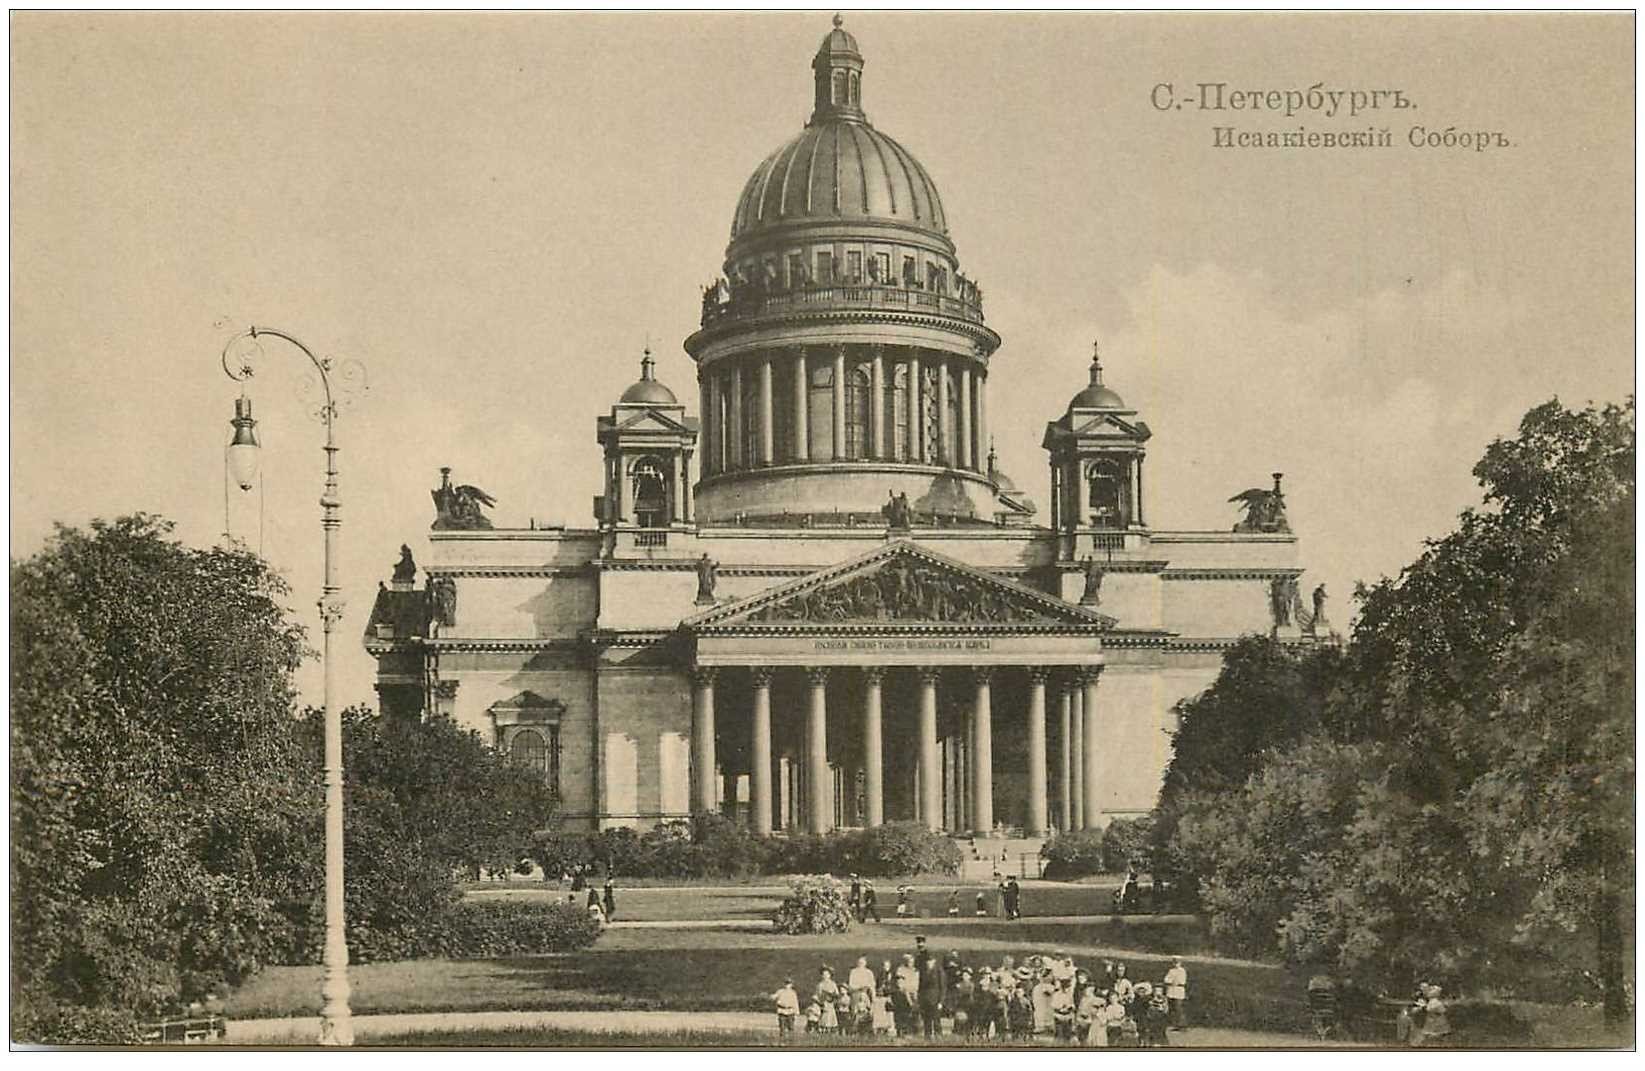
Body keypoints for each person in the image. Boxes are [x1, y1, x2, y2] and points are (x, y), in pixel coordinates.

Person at [917, 947, 947, 1039]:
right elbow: (920, 986)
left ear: (934, 961)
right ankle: (927, 1036)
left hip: (935, 999)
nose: (928, 963)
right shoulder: (923, 971)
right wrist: (920, 999)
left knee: (936, 1019)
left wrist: (941, 1002)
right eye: (927, 961)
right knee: (927, 1019)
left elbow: (943, 987)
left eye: (930, 961)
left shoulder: (939, 971)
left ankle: (939, 1035)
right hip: (925, 999)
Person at [847, 956, 877, 1035]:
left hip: (866, 993)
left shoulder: (869, 972)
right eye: (859, 962)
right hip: (856, 993)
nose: (861, 964)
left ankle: (865, 1030)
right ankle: (854, 1030)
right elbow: (851, 985)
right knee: (855, 1012)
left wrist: (873, 997)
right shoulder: (853, 972)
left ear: (865, 963)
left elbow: (872, 985)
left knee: (866, 1011)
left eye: (862, 962)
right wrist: (859, 987)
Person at [1163, 956, 1188, 1028]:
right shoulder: (1171, 971)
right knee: (1171, 1008)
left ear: (1180, 963)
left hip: (1179, 991)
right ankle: (1173, 1023)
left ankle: (1181, 1024)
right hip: (1171, 991)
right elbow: (1166, 980)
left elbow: (1182, 981)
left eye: (1177, 962)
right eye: (1174, 962)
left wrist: (1174, 981)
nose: (1176, 964)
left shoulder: (1182, 971)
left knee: (1178, 1008)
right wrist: (1171, 981)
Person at [814, 967, 840, 1033]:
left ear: (830, 975)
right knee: (824, 1015)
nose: (825, 976)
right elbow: (818, 994)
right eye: (823, 975)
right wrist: (820, 1001)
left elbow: (837, 993)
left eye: (827, 975)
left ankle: (831, 1028)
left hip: (831, 1002)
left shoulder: (833, 984)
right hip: (823, 1002)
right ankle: (823, 1028)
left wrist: (833, 997)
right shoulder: (820, 985)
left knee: (831, 1014)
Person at [1052, 977, 1077, 1042]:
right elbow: (1054, 1005)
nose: (1067, 989)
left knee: (1067, 1035)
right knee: (1059, 1034)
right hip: (1059, 1016)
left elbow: (1072, 1004)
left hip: (1068, 1016)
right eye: (1065, 987)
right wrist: (1061, 1007)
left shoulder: (1069, 994)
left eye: (1067, 987)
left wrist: (1070, 1007)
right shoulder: (1056, 994)